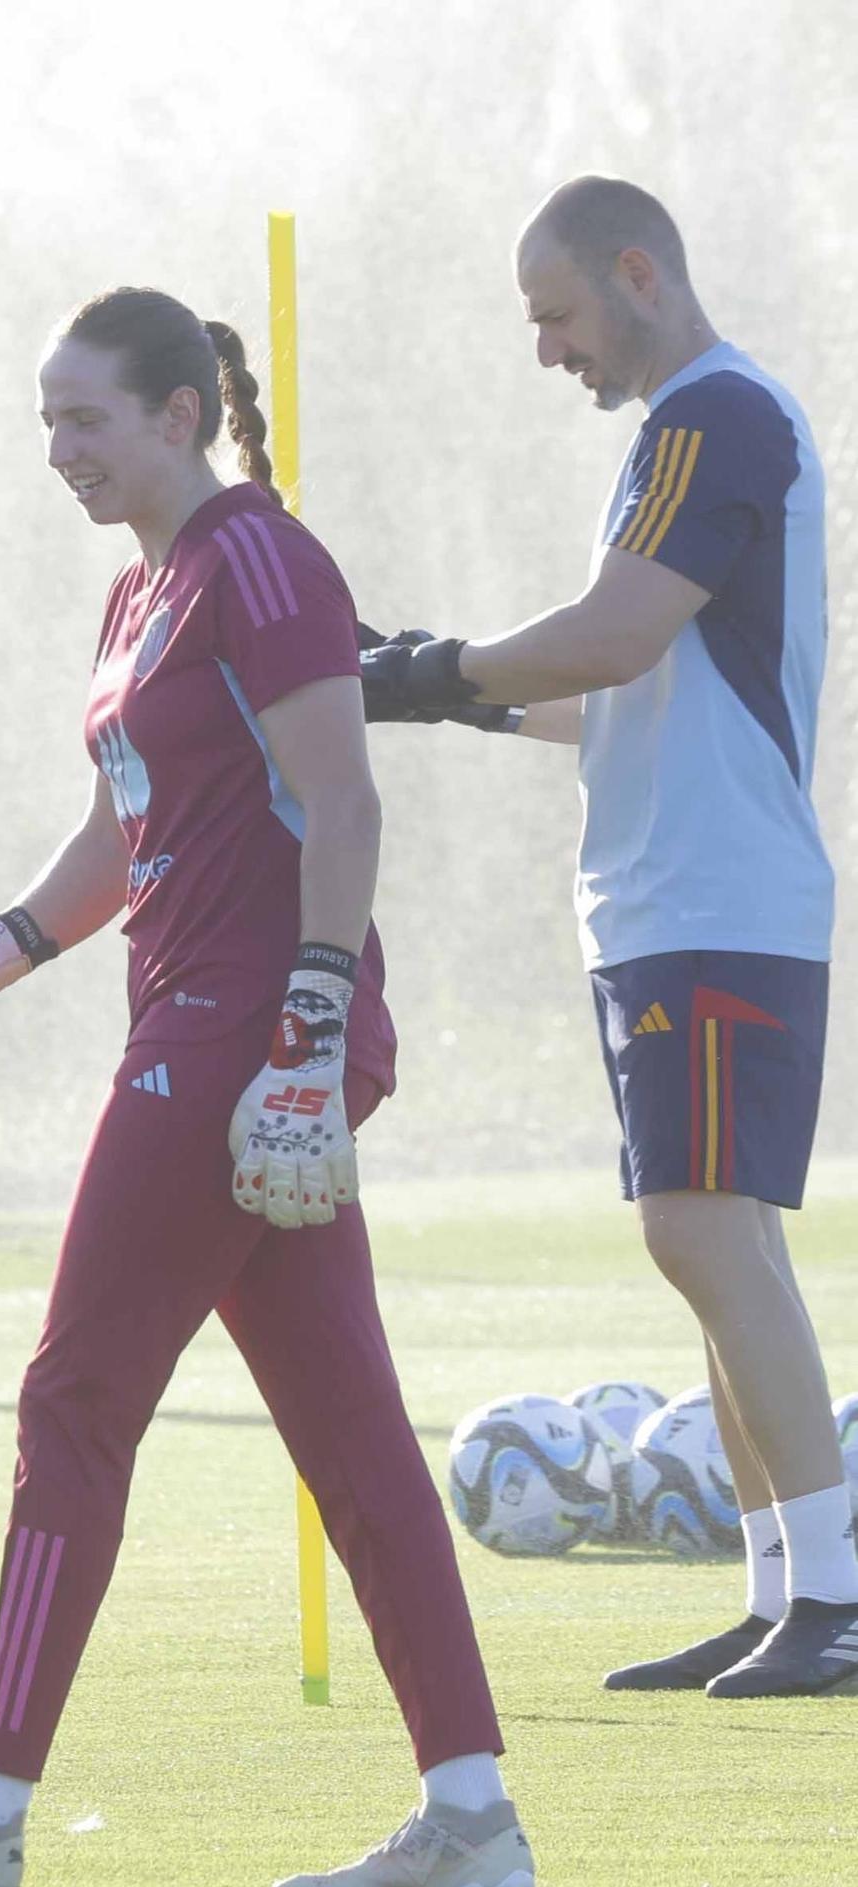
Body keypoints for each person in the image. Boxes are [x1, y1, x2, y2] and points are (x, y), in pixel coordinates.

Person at [0, 289, 534, 1887]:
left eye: (85, 418)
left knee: (73, 1403)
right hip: (201, 1024)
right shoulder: (138, 599)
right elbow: (128, 829)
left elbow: (341, 796)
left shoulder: (259, 558)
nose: (58, 451)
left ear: (180, 414)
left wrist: (310, 1033)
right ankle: (471, 1815)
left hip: (238, 1036)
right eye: (44, 422)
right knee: (347, 1432)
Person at [362, 175, 858, 1698]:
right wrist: (440, 686)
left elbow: (614, 629)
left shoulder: (711, 417)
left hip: (715, 894)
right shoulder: (687, 431)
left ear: (636, 273)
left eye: (555, 314)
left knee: (696, 1229)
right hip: (666, 900)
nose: (545, 352)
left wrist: (410, 671)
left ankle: (835, 1599)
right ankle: (783, 1589)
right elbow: (610, 689)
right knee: (716, 1242)